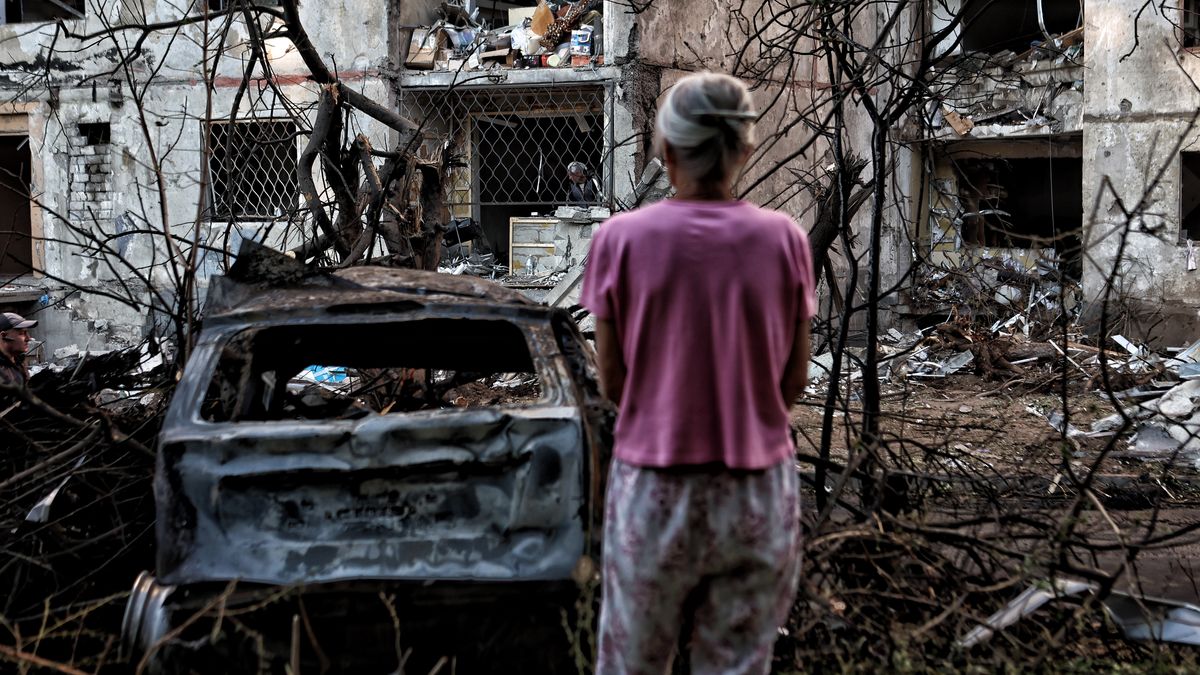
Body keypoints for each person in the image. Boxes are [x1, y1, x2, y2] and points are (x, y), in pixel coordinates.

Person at [580, 72, 815, 675]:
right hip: (757, 492)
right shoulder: (784, 240)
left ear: (664, 150)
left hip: (656, 491)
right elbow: (792, 383)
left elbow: (612, 382)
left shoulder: (619, 240)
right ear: (745, 148)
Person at [0, 311, 37, 387]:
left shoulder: (18, 362)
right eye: (22, 333)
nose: (28, 338)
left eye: (27, 332)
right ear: (3, 335)